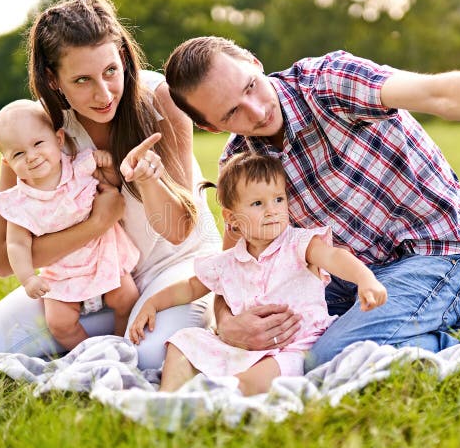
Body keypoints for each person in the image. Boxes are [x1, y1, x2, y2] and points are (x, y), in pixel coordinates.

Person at [163, 36, 460, 371]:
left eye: (251, 86)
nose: (256, 110)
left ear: (251, 60)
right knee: (259, 350)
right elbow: (238, 263)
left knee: (327, 359)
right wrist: (228, 324)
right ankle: (422, 319)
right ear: (210, 126)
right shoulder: (240, 162)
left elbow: (441, 93)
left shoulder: (326, 82)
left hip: (433, 249)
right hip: (350, 275)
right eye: (231, 112)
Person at [0, 0, 220, 370]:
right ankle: (103, 333)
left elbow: (180, 231)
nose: (103, 94)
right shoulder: (36, 132)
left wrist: (150, 181)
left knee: (150, 357)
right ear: (53, 80)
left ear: (122, 56)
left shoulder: (161, 101)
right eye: (82, 80)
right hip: (89, 279)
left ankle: (129, 330)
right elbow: (4, 260)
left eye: (110, 71)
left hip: (175, 268)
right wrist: (97, 224)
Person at [128, 153, 387, 395]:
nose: (272, 210)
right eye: (257, 203)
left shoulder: (299, 244)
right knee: (183, 341)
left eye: (278, 199)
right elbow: (190, 287)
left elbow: (334, 257)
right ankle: (167, 397)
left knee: (253, 381)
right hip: (242, 347)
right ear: (232, 218)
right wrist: (152, 303)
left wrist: (365, 279)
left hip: (293, 347)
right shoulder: (229, 261)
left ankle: (219, 396)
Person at [0, 100, 140, 348]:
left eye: (38, 144)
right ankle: (87, 353)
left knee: (127, 297)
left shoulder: (80, 166)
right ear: (7, 163)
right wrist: (28, 279)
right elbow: (16, 244)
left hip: (103, 257)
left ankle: (120, 343)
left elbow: (113, 183)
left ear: (59, 139)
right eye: (18, 153)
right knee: (59, 322)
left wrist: (108, 163)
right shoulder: (20, 203)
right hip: (62, 273)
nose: (32, 156)